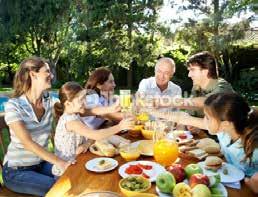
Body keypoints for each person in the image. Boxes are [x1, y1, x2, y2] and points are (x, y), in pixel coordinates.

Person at [3, 57, 71, 196]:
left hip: (41, 164)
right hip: (16, 171)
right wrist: (61, 162)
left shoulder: (49, 100)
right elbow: (27, 143)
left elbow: (73, 107)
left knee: (73, 174)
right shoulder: (14, 106)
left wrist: (107, 112)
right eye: (47, 71)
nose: (51, 75)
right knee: (58, 188)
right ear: (33, 75)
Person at [153, 92, 258, 177]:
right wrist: (154, 112)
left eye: (207, 118)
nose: (204, 120)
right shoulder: (223, 131)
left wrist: (250, 182)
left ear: (225, 124)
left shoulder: (254, 148)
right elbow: (183, 118)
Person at [52, 81, 134, 176]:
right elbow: (96, 135)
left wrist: (112, 108)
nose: (85, 102)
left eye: (84, 98)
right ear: (68, 104)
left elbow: (93, 110)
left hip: (77, 162)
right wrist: (120, 126)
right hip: (65, 172)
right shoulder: (71, 122)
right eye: (81, 99)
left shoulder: (75, 112)